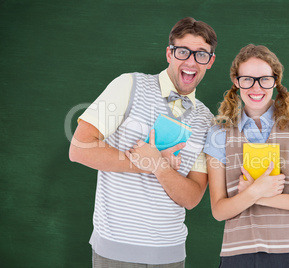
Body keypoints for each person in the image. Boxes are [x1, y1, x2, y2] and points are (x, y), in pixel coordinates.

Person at [69, 17, 217, 267]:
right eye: (183, 52)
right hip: (114, 252)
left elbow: (191, 198)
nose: (191, 61)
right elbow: (79, 148)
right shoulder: (129, 85)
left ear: (210, 62)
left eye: (201, 54)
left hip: (171, 255)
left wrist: (159, 166)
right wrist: (147, 162)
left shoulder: (207, 121)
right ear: (169, 54)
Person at [204, 44, 289, 267]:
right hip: (239, 255)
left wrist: (259, 195)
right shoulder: (218, 134)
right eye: (247, 79)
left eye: (264, 79)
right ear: (236, 81)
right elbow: (218, 210)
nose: (256, 87)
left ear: (275, 81)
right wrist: (255, 190)